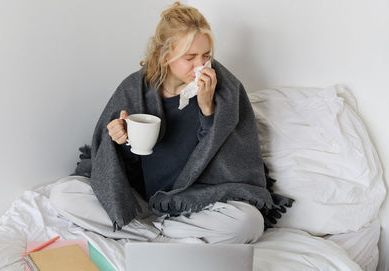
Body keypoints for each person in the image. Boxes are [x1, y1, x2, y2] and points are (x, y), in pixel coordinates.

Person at [51, 2, 291, 244]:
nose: (201, 66)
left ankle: (146, 232)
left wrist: (208, 110)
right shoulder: (135, 90)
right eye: (190, 57)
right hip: (142, 198)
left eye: (206, 56)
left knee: (248, 223)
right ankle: (163, 233)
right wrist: (120, 140)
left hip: (197, 199)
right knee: (64, 194)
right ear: (164, 57)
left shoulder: (226, 90)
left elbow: (233, 161)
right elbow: (116, 167)